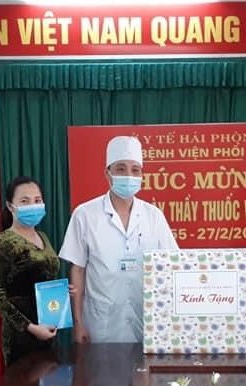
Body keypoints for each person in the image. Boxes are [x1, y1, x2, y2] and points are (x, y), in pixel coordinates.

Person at [59, 135, 178, 344]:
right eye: (121, 169)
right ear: (108, 173)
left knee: (144, 365)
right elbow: (78, 270)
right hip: (100, 323)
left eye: (135, 170)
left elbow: (172, 265)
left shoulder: (154, 216)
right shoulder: (85, 214)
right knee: (100, 366)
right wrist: (78, 323)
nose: (129, 176)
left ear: (141, 175)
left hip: (148, 321)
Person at [0, 176, 60, 367]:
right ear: (10, 206)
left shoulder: (42, 236)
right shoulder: (3, 242)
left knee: (50, 381)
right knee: (24, 384)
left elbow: (42, 278)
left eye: (37, 200)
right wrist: (31, 327)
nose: (32, 206)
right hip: (21, 336)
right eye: (25, 201)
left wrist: (61, 292)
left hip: (48, 326)